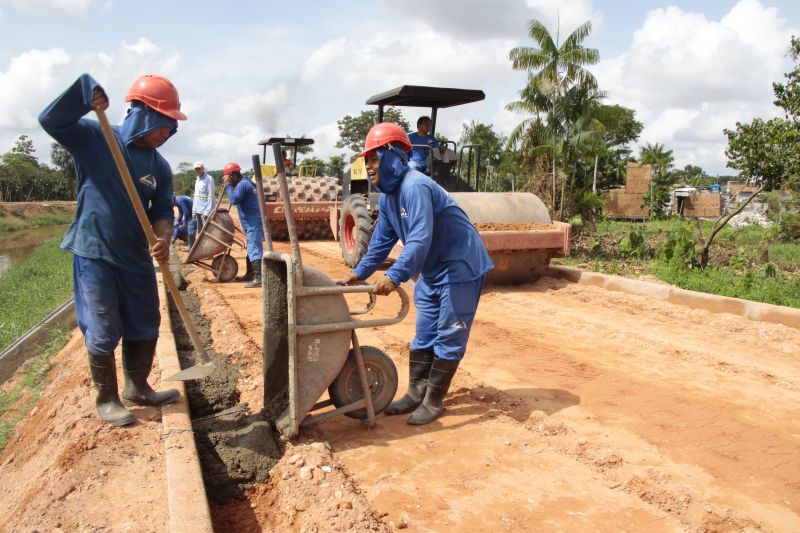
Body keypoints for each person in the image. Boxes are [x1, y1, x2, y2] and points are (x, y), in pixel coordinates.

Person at [39, 73, 185, 427]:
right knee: (104, 325)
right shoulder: (96, 138)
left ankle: (138, 387)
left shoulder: (158, 166)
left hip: (135, 254)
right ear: (144, 113)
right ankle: (107, 398)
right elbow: (50, 119)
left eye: (171, 127)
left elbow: (163, 209)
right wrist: (84, 92)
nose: (167, 133)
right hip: (96, 250)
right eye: (164, 123)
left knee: (145, 321)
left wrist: (163, 238)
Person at [339, 123, 493, 425]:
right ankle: (415, 394)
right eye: (366, 160)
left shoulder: (415, 186)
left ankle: (434, 401)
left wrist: (394, 275)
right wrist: (359, 274)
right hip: (433, 269)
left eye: (373, 158)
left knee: (449, 334)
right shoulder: (389, 198)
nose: (368, 167)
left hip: (460, 264)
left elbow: (420, 238)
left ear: (392, 156)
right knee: (424, 333)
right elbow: (381, 242)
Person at [222, 162, 263, 288]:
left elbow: (234, 200)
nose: (227, 180)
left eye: (228, 177)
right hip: (251, 221)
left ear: (233, 176)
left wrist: (228, 185)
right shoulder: (246, 182)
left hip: (253, 221)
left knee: (254, 248)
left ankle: (259, 278)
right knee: (251, 247)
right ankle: (250, 274)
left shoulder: (242, 184)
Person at [191, 161, 215, 237]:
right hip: (198, 211)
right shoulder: (197, 180)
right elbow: (196, 196)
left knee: (208, 233)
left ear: (203, 168)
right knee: (200, 233)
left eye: (199, 168)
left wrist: (207, 212)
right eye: (196, 169)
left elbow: (211, 196)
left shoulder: (209, 179)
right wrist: (194, 211)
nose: (197, 170)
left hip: (205, 211)